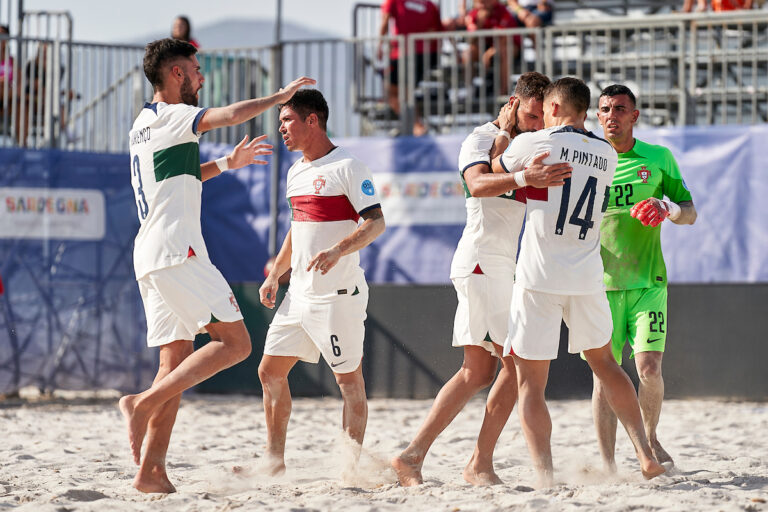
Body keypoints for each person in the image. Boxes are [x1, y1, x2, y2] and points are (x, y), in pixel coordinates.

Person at [119, 37, 314, 493]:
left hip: (150, 254)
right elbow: (227, 115)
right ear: (176, 74)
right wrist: (279, 97)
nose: (202, 77)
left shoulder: (143, 124)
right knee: (237, 343)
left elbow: (179, 173)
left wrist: (226, 163)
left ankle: (150, 472)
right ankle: (141, 404)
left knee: (174, 362)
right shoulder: (173, 114)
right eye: (196, 68)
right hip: (177, 249)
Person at [391, 71, 574, 487]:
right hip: (480, 261)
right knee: (515, 364)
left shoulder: (528, 143)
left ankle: (416, 456)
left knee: (478, 372)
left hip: (501, 265)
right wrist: (524, 176)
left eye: (542, 117)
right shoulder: (480, 138)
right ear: (514, 102)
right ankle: (473, 462)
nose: (536, 123)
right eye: (530, 114)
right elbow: (475, 184)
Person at [492, 77, 665, 487]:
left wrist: (503, 130)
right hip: (588, 275)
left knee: (531, 382)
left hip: (540, 275)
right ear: (587, 112)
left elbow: (493, 168)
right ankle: (645, 455)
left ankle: (545, 476)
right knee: (607, 365)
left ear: (551, 109)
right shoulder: (605, 152)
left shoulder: (536, 143)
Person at [258, 89, 386, 477]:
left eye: (286, 120)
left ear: (312, 120)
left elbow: (375, 223)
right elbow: (297, 230)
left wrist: (338, 250)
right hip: (299, 295)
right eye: (279, 121)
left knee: (348, 383)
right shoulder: (295, 171)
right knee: (269, 372)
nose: (280, 128)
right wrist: (275, 275)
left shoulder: (348, 166)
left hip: (337, 296)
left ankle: (350, 470)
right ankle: (275, 462)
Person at [593, 84, 697, 472]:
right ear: (596, 116)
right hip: (600, 285)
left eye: (620, 109)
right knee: (604, 377)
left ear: (634, 116)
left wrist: (665, 206)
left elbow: (690, 212)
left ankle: (649, 436)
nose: (611, 116)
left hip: (648, 282)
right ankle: (607, 465)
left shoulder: (657, 158)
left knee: (649, 370)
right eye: (604, 109)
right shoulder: (590, 160)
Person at [377, 0, 443, 136]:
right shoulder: (430, 5)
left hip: (405, 52)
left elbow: (385, 22)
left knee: (393, 90)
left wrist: (380, 46)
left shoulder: (394, 1)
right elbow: (436, 30)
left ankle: (417, 125)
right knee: (403, 89)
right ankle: (415, 125)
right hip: (426, 53)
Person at [465, 0, 521, 95]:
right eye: (479, 2)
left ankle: (503, 93)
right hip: (487, 47)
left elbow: (503, 39)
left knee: (504, 52)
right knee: (468, 53)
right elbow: (471, 40)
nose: (482, 4)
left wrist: (487, 55)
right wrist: (479, 23)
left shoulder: (503, 11)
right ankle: (470, 90)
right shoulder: (474, 14)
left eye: (484, 1)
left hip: (508, 46)